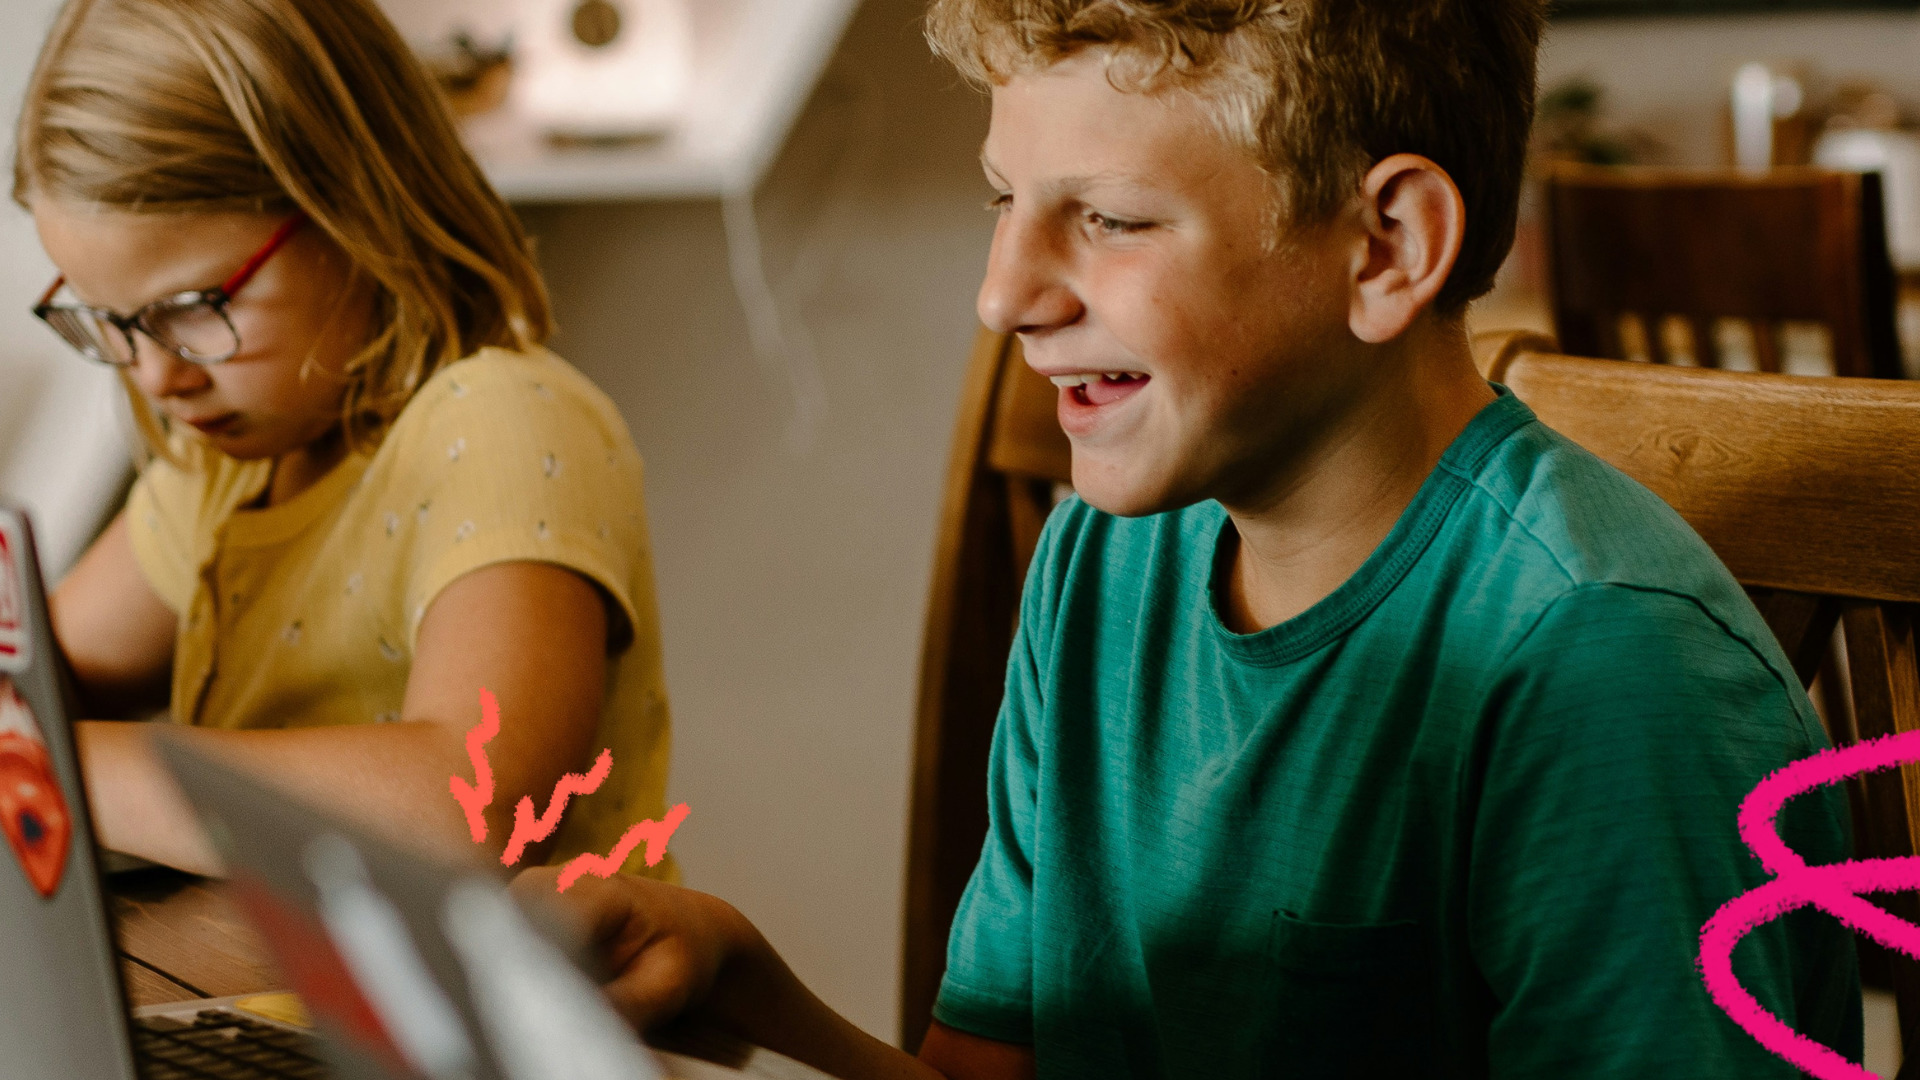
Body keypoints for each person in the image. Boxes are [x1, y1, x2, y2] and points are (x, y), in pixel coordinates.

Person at [540, 0, 1863, 1076]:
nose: (1001, 295)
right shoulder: (1100, 563)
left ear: (1386, 248)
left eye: (1109, 219)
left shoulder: (1603, 664)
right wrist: (752, 988)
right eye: (1005, 198)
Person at [17, 0, 676, 882]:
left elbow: (475, 809)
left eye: (188, 308)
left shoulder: (502, 426)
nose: (156, 376)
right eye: (110, 322)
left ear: (357, 203)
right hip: (293, 996)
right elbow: (41, 675)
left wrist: (57, 768)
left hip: (541, 1012)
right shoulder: (230, 466)